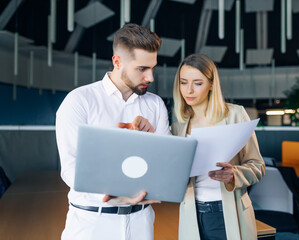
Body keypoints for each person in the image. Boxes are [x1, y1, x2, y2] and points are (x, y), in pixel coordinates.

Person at [56, 23, 171, 240]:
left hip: (141, 224)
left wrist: (150, 142)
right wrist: (114, 193)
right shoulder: (79, 101)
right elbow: (70, 168)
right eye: (142, 69)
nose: (151, 78)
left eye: (152, 68)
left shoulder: (155, 104)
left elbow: (166, 168)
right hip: (92, 225)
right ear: (117, 62)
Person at [171, 53, 265, 240]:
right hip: (192, 213)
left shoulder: (235, 115)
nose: (189, 90)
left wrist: (233, 175)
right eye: (183, 82)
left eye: (197, 83)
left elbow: (257, 166)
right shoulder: (178, 125)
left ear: (211, 84)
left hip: (228, 211)